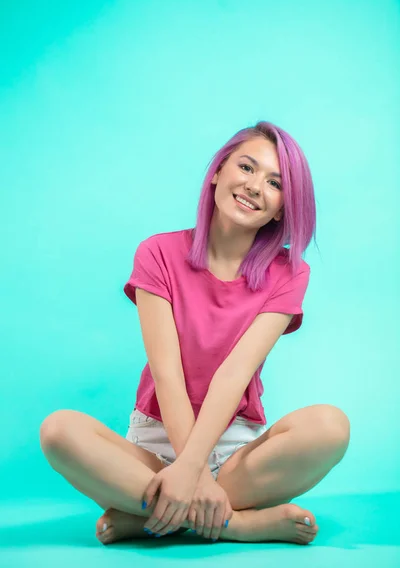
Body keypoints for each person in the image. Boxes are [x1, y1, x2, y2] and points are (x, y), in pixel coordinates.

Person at [40, 121, 350, 546]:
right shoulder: (158, 253)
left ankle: (153, 515)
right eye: (246, 167)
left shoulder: (290, 274)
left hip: (236, 448)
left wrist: (198, 468)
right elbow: (167, 373)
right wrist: (189, 469)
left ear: (282, 207)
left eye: (275, 182)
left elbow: (234, 374)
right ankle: (235, 523)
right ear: (218, 172)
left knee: (331, 427)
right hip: (154, 445)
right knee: (58, 431)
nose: (255, 186)